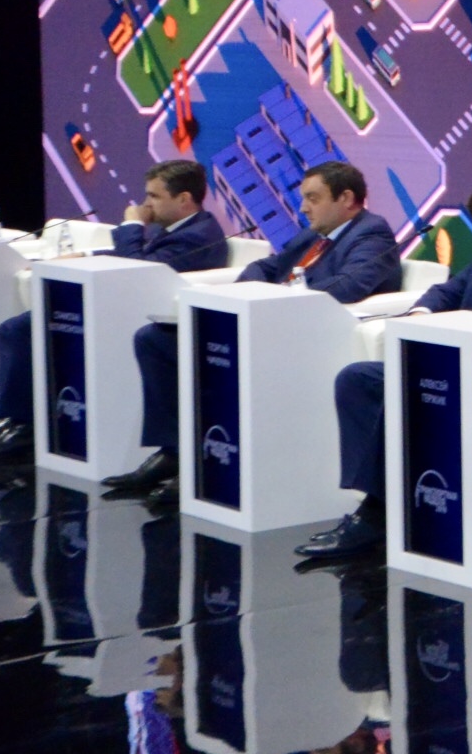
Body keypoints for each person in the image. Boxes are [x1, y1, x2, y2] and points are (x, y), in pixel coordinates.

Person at [296, 178, 472, 566]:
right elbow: (449, 290)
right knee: (358, 378)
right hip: (468, 365)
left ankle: (375, 515)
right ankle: (381, 496)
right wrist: (421, 314)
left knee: (404, 385)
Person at [106, 159, 400, 501]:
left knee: (212, 355)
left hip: (303, 334)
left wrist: (274, 299)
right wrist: (256, 291)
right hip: (265, 322)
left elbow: (348, 286)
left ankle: (209, 461)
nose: (303, 208)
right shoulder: (314, 233)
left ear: (346, 198)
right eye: (303, 199)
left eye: (313, 198)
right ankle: (175, 450)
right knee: (154, 339)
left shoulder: (373, 235)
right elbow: (266, 265)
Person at [0, 160, 229, 472]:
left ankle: (22, 427)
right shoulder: (175, 228)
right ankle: (15, 422)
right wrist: (84, 255)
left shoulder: (198, 235)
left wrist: (132, 226)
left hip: (136, 313)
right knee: (16, 329)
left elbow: (138, 268)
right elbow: (138, 258)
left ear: (184, 199)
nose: (145, 204)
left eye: (154, 196)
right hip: (114, 303)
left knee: (20, 330)